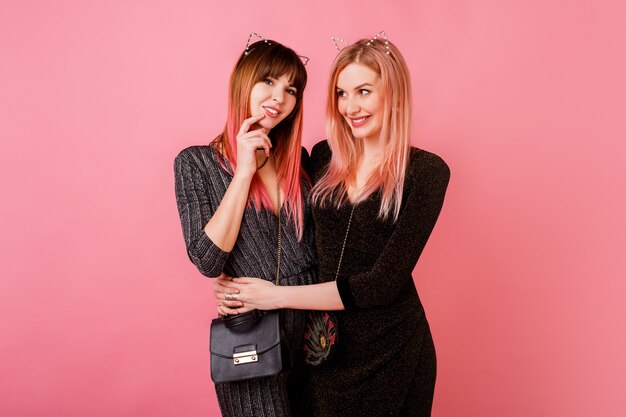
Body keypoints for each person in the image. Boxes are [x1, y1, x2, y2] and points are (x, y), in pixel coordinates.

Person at [214, 33, 451, 417]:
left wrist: (273, 296)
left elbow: (381, 284)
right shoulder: (323, 157)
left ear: (392, 93)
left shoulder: (427, 172)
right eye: (341, 93)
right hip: (321, 348)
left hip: (392, 350)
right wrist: (227, 272)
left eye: (363, 91)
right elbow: (277, 225)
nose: (350, 106)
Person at [174, 36, 316, 417]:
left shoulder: (300, 164)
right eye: (268, 81)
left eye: (291, 89)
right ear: (243, 81)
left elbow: (319, 252)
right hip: (252, 336)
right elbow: (207, 260)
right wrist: (244, 172)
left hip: (317, 334)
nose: (280, 97)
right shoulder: (196, 164)